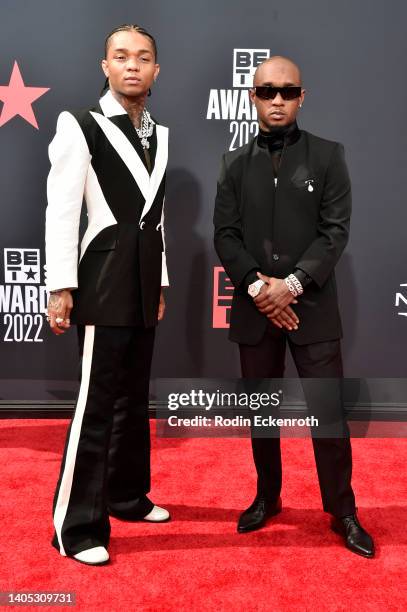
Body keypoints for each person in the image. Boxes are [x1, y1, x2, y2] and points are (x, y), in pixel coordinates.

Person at [213, 56, 374, 558]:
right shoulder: (233, 163)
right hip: (256, 308)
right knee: (261, 414)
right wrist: (263, 291)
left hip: (313, 309)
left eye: (287, 90)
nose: (277, 99)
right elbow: (225, 234)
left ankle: (342, 510)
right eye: (267, 91)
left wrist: (294, 285)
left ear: (302, 96)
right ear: (253, 96)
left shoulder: (329, 156)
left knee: (328, 413)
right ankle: (267, 496)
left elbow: (334, 232)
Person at [45, 24, 170, 566]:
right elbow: (62, 210)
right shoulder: (80, 124)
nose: (132, 66)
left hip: (143, 287)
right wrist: (59, 285)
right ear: (105, 66)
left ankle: (125, 496)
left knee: (133, 398)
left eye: (142, 58)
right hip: (100, 282)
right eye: (121, 57)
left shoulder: (162, 134)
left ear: (156, 70)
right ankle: (75, 527)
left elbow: (157, 219)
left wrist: (161, 281)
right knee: (96, 407)